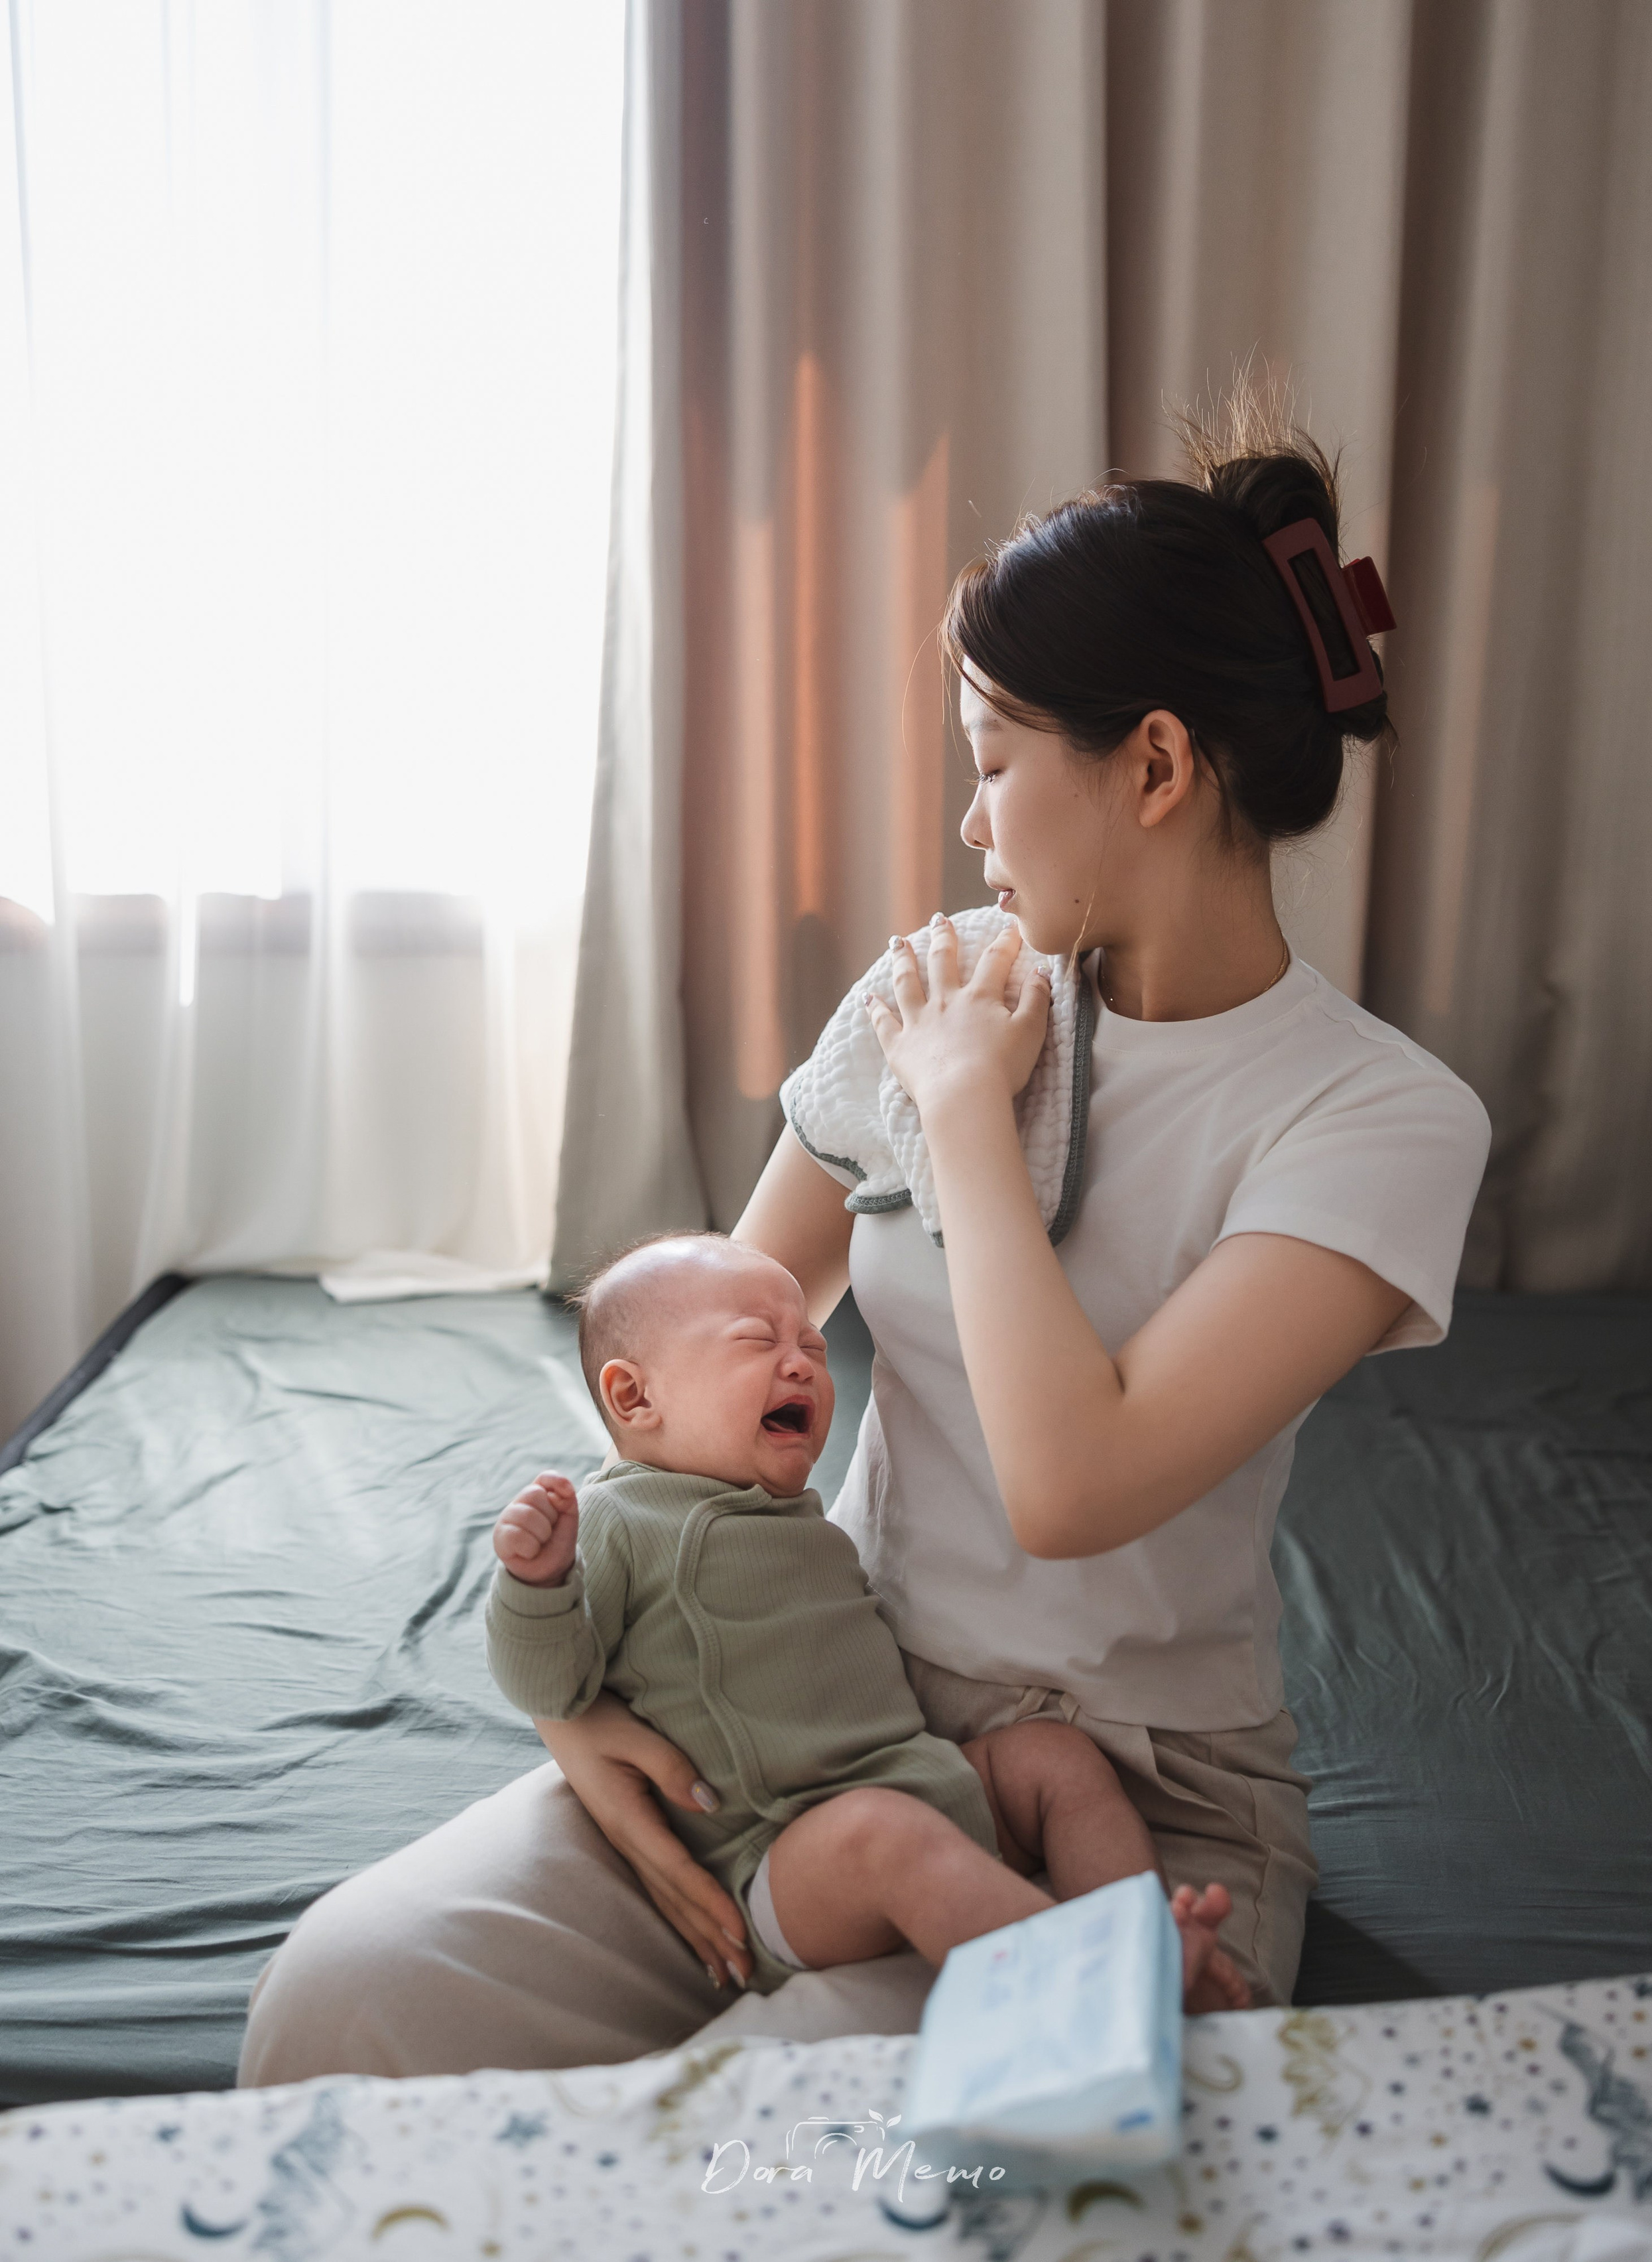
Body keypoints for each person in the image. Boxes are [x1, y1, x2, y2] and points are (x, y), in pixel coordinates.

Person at [238, 402, 1490, 2086]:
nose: (970, 829)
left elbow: (1069, 1483)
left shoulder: (1373, 1118)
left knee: (801, 2142)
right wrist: (573, 1695)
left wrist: (965, 1112)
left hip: (1122, 1794)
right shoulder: (933, 988)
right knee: (344, 1997)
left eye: (990, 764)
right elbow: (687, 1360)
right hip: (802, 1707)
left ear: (1155, 766)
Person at [485, 1231, 1248, 2007]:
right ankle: (1109, 1985)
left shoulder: (798, 1516)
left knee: (1055, 1759)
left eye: (814, 1345)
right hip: (788, 1856)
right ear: (634, 1397)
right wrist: (536, 1583)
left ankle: (1135, 1932)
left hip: (927, 1786)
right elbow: (549, 1683)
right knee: (883, 1835)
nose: (801, 1362)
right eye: (757, 1341)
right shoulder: (621, 1514)